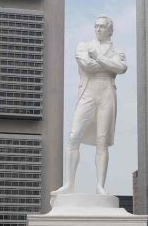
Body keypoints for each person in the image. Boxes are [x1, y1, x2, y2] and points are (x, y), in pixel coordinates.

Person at [53, 15, 127, 195]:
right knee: (73, 136)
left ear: (110, 30)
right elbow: (87, 66)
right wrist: (107, 64)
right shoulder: (83, 46)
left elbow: (122, 68)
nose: (98, 29)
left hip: (106, 95)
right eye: (96, 26)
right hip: (87, 93)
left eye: (102, 26)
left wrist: (99, 58)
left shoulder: (119, 52)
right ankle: (69, 184)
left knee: (102, 141)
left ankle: (100, 185)